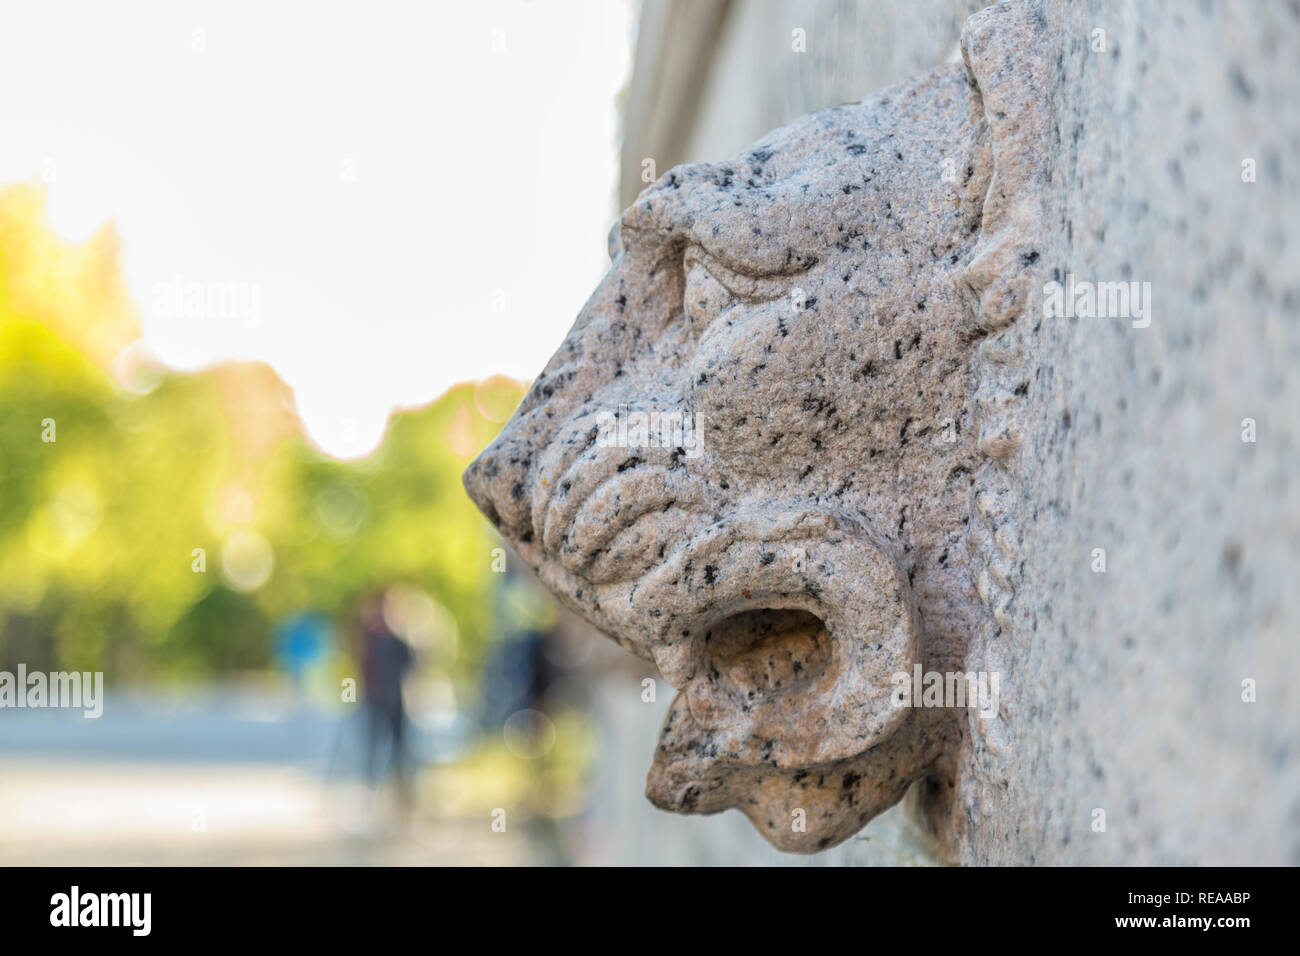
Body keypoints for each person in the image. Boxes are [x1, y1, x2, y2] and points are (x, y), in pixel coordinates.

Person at [358, 589, 414, 808]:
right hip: (378, 699)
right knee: (378, 748)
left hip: (389, 700)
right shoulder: (372, 637)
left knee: (396, 750)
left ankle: (397, 796)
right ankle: (376, 795)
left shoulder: (394, 639)